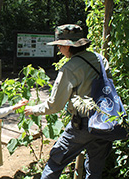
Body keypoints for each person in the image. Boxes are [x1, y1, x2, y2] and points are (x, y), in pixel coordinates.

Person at [24, 24, 112, 179]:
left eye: (59, 45)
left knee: (56, 161)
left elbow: (55, 105)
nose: (58, 48)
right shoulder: (100, 59)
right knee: (95, 169)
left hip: (83, 125)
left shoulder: (69, 68)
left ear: (68, 46)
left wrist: (34, 109)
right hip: (105, 121)